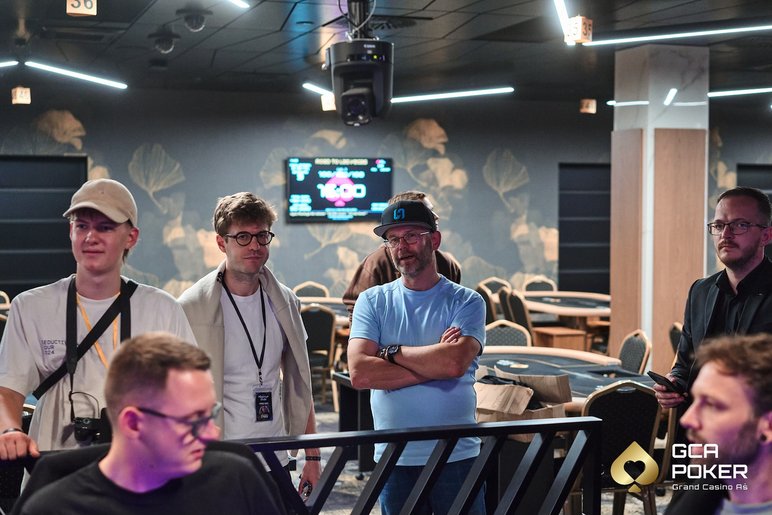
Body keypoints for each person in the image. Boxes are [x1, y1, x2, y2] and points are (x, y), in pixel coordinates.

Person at [0, 179, 196, 460]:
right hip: (55, 470)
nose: (91, 237)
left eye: (105, 227)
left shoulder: (162, 310)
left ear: (131, 237)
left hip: (138, 469)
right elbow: (7, 390)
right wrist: (9, 430)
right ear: (70, 232)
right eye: (82, 226)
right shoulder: (31, 307)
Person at [16, 332, 286, 515]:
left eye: (210, 414)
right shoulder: (54, 509)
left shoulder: (235, 480)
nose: (211, 434)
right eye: (192, 422)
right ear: (133, 424)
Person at [347, 199, 486, 515]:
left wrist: (390, 352)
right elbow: (360, 374)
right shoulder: (372, 301)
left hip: (457, 453)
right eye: (393, 239)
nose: (401, 247)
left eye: (411, 236)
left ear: (434, 240)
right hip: (395, 455)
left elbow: (454, 363)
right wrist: (435, 363)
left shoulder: (467, 302)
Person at [178, 192, 321, 496]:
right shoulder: (191, 308)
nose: (255, 245)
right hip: (220, 458)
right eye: (242, 237)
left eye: (262, 236)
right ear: (222, 243)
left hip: (277, 455)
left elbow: (301, 383)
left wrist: (312, 456)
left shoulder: (286, 302)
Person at [656, 186, 772, 410]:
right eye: (719, 226)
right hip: (701, 423)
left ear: (766, 235)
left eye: (740, 225)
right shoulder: (700, 291)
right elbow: (685, 365)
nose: (725, 235)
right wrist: (674, 383)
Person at [665, 333, 772, 515]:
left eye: (712, 405)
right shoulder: (694, 500)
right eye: (695, 400)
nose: (687, 419)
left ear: (768, 426)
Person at [342, 190, 461, 319]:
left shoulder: (448, 264)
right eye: (426, 213)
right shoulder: (375, 264)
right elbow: (357, 310)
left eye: (432, 211)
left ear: (435, 240)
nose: (435, 217)